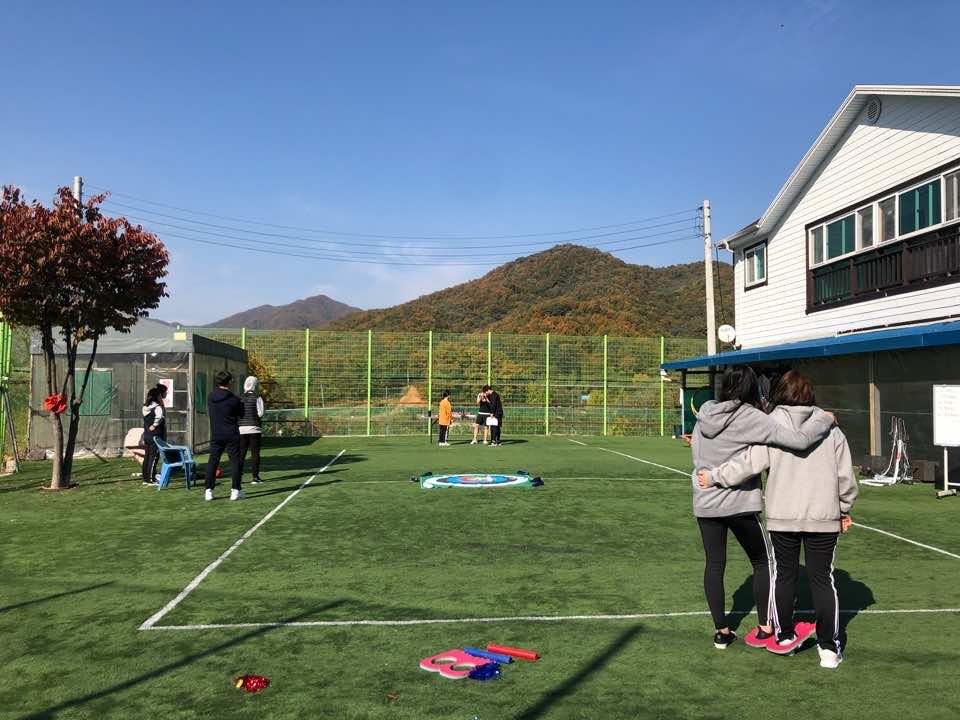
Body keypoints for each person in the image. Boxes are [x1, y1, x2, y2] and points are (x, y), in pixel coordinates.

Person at [698, 370, 858, 669]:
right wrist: (844, 508)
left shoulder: (770, 426)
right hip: (823, 515)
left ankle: (784, 635)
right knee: (823, 579)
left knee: (783, 575)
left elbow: (748, 463)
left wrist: (715, 476)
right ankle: (828, 648)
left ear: (778, 393)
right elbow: (845, 477)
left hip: (782, 516)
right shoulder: (831, 429)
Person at [205, 370, 245, 501]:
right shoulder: (234, 399)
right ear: (229, 382)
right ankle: (235, 490)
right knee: (235, 462)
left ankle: (208, 490)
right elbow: (241, 414)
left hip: (216, 433)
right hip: (232, 433)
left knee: (213, 461)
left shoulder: (211, 396)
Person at [239, 376, 265, 484]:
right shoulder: (257, 397)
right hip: (254, 429)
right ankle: (255, 477)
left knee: (241, 454)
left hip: (241, 429)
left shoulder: (240, 397)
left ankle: (238, 477)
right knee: (255, 454)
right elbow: (260, 413)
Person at [141, 383, 168, 485]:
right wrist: (155, 424)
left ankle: (146, 478)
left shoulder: (146, 406)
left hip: (147, 435)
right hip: (155, 436)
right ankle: (150, 479)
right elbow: (160, 417)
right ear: (159, 395)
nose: (166, 394)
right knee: (154, 457)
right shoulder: (158, 407)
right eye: (164, 392)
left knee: (147, 456)